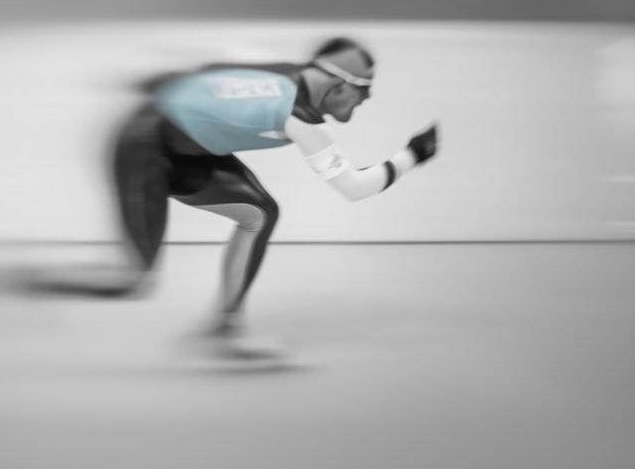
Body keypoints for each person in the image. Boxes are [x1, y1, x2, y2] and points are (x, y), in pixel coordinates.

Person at [27, 37, 439, 360]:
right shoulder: (305, 122)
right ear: (336, 85)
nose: (366, 101)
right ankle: (37, 282)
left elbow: (211, 65)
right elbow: (354, 187)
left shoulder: (281, 68)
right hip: (142, 145)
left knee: (261, 213)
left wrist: (154, 77)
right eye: (363, 92)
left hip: (185, 147)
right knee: (132, 282)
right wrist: (413, 155)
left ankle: (226, 328)